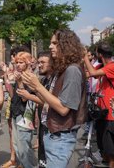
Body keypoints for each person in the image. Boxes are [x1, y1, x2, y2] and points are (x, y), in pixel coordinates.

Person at [22, 29, 87, 168]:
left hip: (60, 137)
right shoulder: (62, 69)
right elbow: (49, 101)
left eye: (55, 43)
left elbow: (63, 109)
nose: (50, 46)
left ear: (66, 45)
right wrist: (33, 87)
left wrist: (38, 86)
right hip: (52, 134)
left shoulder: (73, 70)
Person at [83, 42, 114, 168]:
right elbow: (89, 73)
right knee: (102, 143)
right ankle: (104, 160)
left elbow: (93, 73)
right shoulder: (102, 65)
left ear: (100, 54)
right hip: (102, 110)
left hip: (111, 111)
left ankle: (112, 164)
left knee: (111, 147)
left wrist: (84, 56)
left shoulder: (113, 66)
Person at [7, 51, 38, 168]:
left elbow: (25, 99)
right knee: (16, 144)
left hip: (25, 114)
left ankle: (29, 166)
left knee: (24, 146)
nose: (18, 65)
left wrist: (19, 81)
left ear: (27, 63)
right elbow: (12, 95)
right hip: (15, 111)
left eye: (21, 62)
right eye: (17, 62)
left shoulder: (30, 77)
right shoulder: (18, 74)